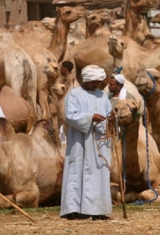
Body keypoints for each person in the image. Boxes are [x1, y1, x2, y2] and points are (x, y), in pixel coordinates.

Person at [60, 64, 114, 221]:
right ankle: (74, 209)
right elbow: (70, 116)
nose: (96, 85)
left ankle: (99, 210)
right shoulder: (74, 95)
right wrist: (90, 117)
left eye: (98, 82)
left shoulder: (102, 96)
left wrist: (111, 119)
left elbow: (109, 112)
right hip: (80, 141)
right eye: (94, 82)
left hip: (100, 143)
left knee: (99, 173)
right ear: (87, 80)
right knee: (77, 171)